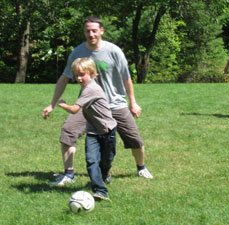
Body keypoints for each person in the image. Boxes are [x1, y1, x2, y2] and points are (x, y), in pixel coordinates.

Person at [42, 15, 153, 186]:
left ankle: (141, 168)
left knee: (134, 139)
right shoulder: (78, 52)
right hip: (88, 106)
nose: (91, 34)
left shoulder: (114, 51)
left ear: (101, 31)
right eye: (88, 31)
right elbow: (64, 78)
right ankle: (69, 174)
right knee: (68, 131)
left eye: (94, 30)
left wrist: (133, 102)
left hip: (115, 104)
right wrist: (51, 104)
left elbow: (126, 77)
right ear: (84, 32)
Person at [58, 57, 116, 201]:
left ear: (91, 73)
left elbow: (74, 110)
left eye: (81, 74)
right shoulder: (85, 87)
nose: (78, 78)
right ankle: (100, 190)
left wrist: (63, 104)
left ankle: (106, 173)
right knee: (91, 161)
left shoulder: (91, 89)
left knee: (106, 161)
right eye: (76, 75)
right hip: (93, 132)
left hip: (108, 130)